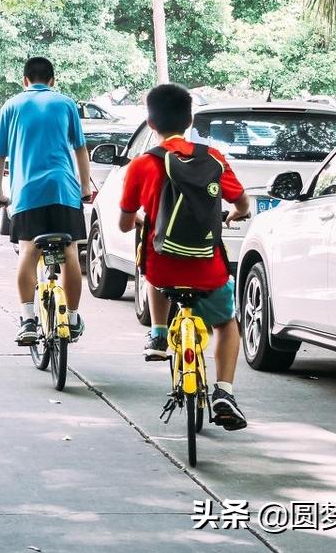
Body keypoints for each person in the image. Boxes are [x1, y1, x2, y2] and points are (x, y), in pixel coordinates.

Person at [118, 83, 251, 430]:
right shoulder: (213, 158)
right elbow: (242, 202)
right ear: (190, 120)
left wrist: (141, 218)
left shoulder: (142, 164)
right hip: (208, 269)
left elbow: (123, 224)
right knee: (226, 324)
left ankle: (159, 333)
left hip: (162, 268)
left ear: (151, 123)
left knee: (151, 268)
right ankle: (224, 392)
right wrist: (235, 214)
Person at [0, 57, 90, 346]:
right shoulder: (66, 104)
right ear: (53, 80)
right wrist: (85, 188)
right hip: (64, 190)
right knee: (70, 253)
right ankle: (72, 319)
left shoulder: (11, 106)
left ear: (25, 80)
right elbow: (80, 149)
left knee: (28, 251)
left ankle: (28, 320)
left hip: (27, 193)